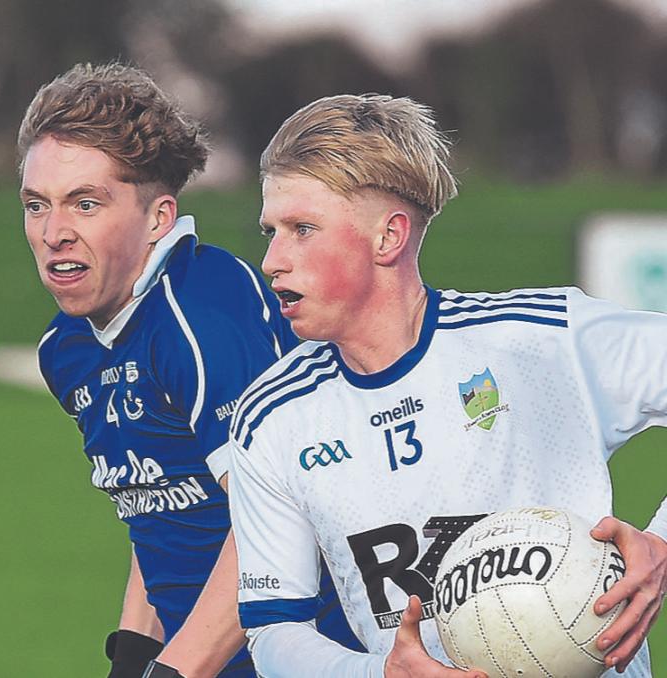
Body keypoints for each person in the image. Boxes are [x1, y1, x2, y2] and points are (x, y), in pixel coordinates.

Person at [227, 93, 667, 677]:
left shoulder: (542, 341)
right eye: (270, 232)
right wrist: (379, 674)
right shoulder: (272, 417)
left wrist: (662, 544)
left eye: (302, 229)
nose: (273, 260)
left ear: (389, 237)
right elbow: (274, 629)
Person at [18, 63, 360, 678]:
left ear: (158, 219)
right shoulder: (66, 346)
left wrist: (177, 670)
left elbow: (277, 519)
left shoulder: (201, 314)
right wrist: (135, 650)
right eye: (36, 205)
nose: (54, 233)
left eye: (85, 203)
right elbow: (158, 504)